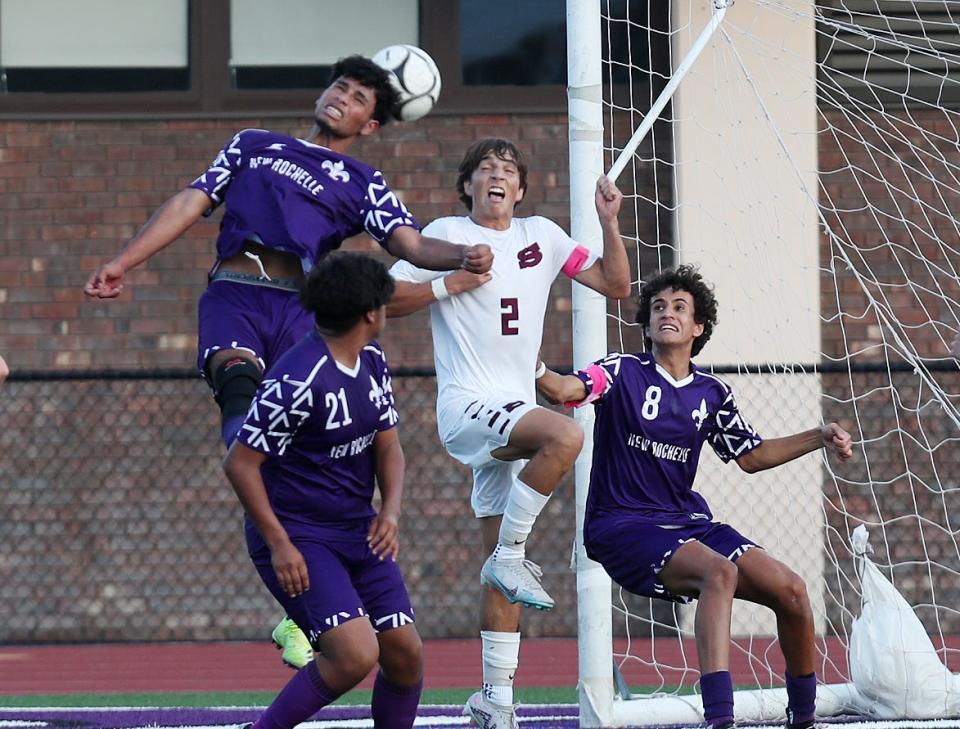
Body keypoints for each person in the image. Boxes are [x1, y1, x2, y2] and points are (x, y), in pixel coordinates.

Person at [83, 55, 492, 669]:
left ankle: (306, 604)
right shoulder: (254, 145)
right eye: (340, 87)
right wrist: (123, 260)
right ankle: (262, 506)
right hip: (236, 293)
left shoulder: (362, 181)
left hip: (300, 310)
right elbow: (191, 202)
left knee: (323, 439)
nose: (342, 98)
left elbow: (408, 245)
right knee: (238, 384)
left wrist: (464, 254)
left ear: (371, 124)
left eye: (358, 98)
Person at [536, 265, 854, 729]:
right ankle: (719, 719)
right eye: (659, 307)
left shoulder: (712, 393)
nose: (668, 313)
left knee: (792, 591)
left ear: (697, 327)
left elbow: (753, 456)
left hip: (687, 523)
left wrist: (819, 435)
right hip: (621, 524)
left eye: (680, 307)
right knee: (719, 572)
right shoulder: (621, 372)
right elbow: (566, 390)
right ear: (646, 324)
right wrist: (536, 366)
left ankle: (803, 718)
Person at [388, 138, 630, 729]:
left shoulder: (542, 236)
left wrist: (608, 221)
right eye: (485, 169)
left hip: (514, 409)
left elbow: (616, 287)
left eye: (508, 171)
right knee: (568, 438)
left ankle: (496, 699)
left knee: (499, 568)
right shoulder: (443, 233)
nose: (496, 177)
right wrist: (447, 283)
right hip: (469, 406)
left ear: (520, 189)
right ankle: (514, 555)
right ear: (467, 184)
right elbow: (385, 297)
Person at [224, 252, 422, 729]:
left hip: (357, 531)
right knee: (354, 655)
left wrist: (389, 513)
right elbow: (240, 464)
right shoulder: (296, 379)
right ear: (371, 313)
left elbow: (388, 446)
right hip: (300, 535)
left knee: (405, 655)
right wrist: (280, 544)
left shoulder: (371, 361)